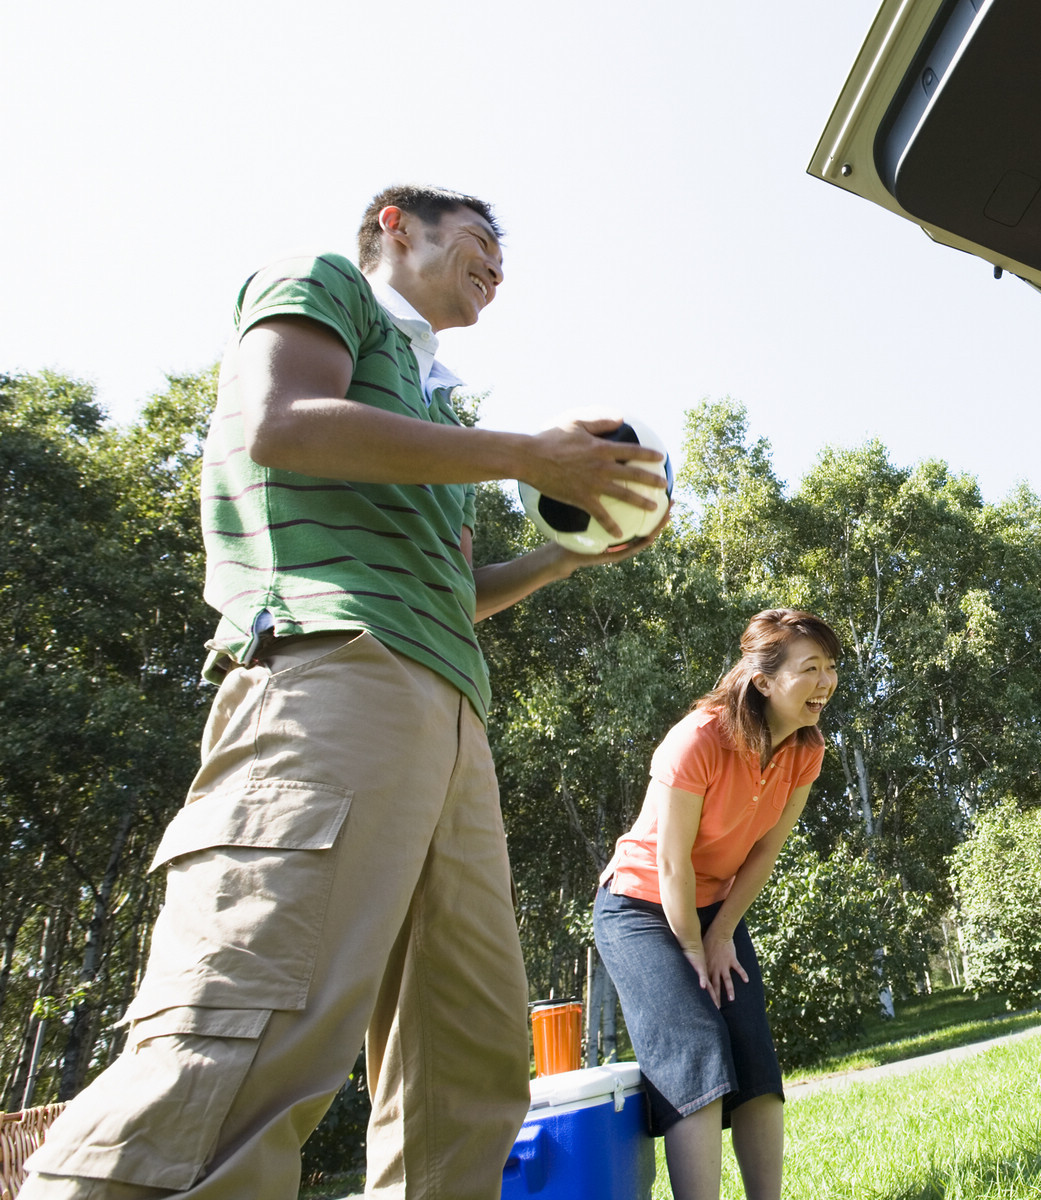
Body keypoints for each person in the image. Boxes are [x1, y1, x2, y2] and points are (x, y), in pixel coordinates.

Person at [22, 185, 670, 1200]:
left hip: (451, 713)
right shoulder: (322, 285)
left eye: (503, 258)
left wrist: (564, 557)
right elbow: (285, 425)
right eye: (478, 241)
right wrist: (523, 453)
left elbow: (455, 596)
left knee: (466, 1076)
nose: (497, 266)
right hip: (332, 672)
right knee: (240, 1042)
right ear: (394, 223)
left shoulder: (437, 407)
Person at [594, 609, 841, 1200]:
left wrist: (722, 932)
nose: (826, 682)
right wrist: (689, 948)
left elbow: (762, 854)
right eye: (810, 669)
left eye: (831, 668)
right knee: (694, 1047)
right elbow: (670, 863)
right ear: (763, 680)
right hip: (639, 909)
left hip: (713, 910)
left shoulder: (806, 750)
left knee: (752, 1052)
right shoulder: (699, 739)